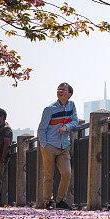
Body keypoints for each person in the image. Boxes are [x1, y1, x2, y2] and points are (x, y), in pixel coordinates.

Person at [37, 82, 78, 210]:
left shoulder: (72, 105)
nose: (60, 91)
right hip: (50, 145)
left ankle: (60, 200)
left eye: (63, 89)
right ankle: (48, 201)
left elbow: (75, 121)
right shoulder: (49, 109)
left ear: (69, 94)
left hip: (64, 146)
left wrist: (66, 127)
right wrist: (45, 145)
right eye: (59, 89)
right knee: (49, 175)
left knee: (66, 173)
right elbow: (41, 129)